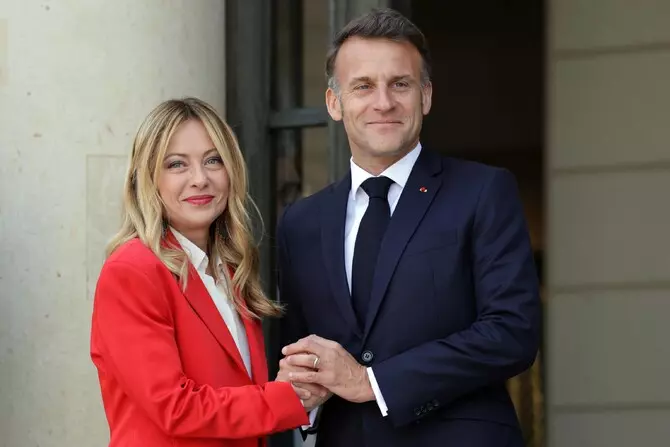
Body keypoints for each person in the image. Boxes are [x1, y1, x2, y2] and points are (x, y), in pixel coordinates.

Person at [276, 8, 541, 447]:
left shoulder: (483, 192)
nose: (383, 102)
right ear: (334, 103)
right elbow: (297, 352)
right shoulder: (300, 223)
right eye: (363, 86)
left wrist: (373, 381)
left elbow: (512, 332)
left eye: (400, 84)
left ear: (426, 96)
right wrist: (303, 385)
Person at [90, 97, 311, 447]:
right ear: (147, 178)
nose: (200, 179)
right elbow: (175, 407)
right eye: (177, 164)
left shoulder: (230, 268)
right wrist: (285, 398)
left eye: (213, 160)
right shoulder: (132, 271)